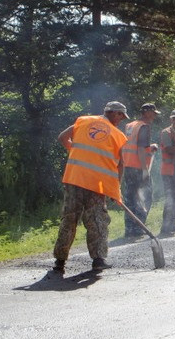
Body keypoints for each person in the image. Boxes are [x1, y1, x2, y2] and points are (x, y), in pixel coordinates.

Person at [51, 101, 129, 274]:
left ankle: (59, 262)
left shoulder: (83, 121)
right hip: (96, 184)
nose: (122, 120)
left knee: (69, 219)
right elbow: (120, 165)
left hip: (74, 178)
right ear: (114, 113)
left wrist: (75, 151)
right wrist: (117, 190)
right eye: (121, 116)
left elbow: (62, 138)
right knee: (97, 220)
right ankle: (98, 260)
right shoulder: (117, 135)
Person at [121, 103, 160, 239]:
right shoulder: (144, 127)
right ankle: (138, 229)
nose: (155, 116)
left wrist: (151, 147)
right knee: (144, 197)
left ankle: (129, 229)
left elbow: (136, 145)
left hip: (128, 165)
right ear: (147, 112)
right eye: (153, 113)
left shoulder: (130, 126)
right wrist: (145, 170)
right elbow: (140, 149)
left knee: (130, 198)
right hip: (138, 167)